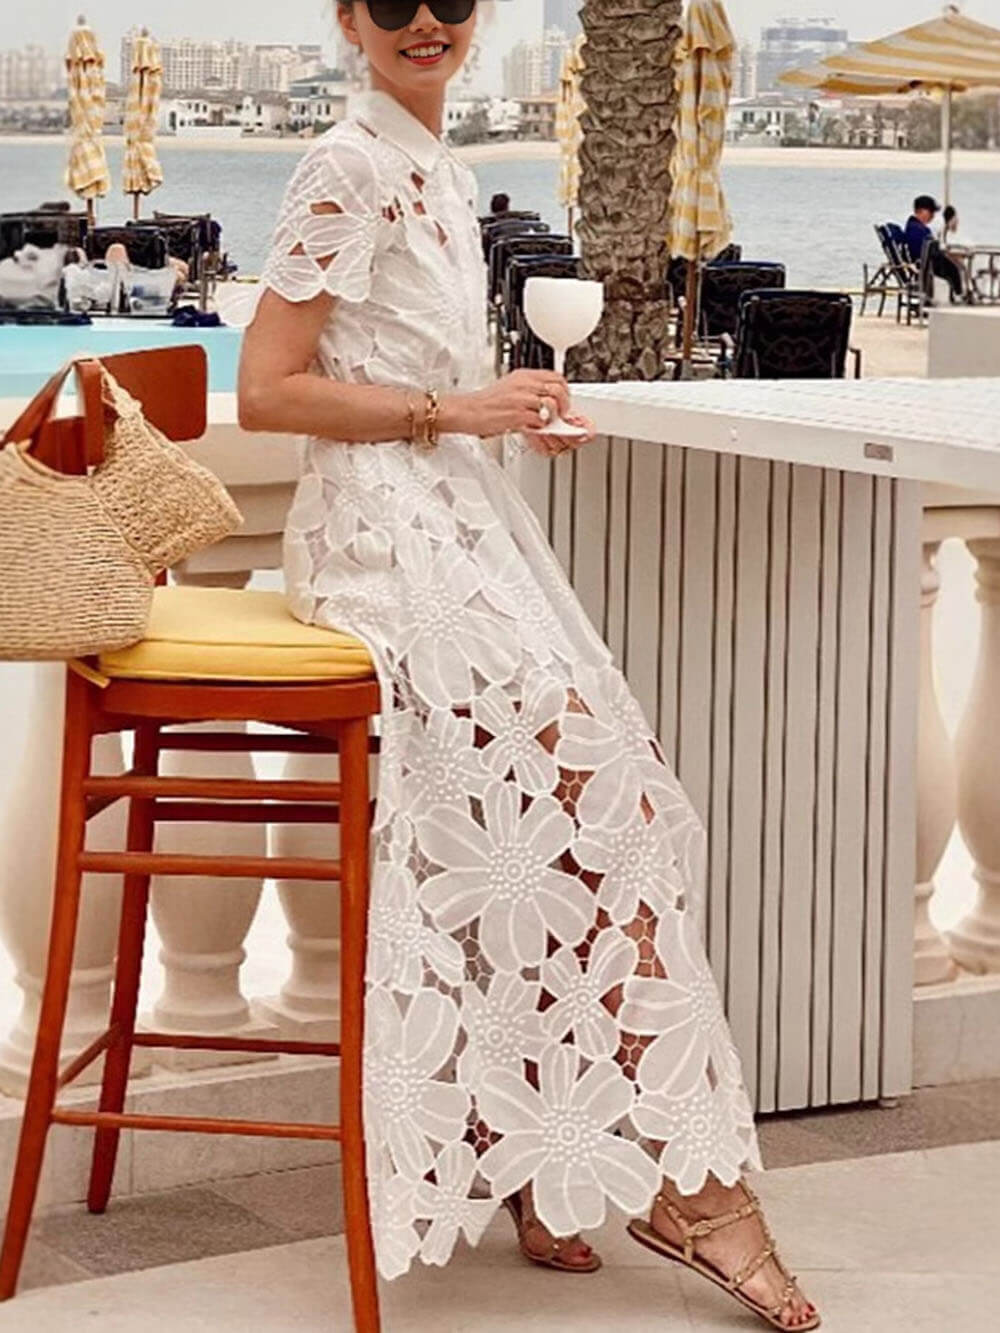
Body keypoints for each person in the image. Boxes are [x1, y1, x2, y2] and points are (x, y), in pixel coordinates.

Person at [238, 4, 819, 1329]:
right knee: (592, 810)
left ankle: (549, 1155)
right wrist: (451, 411)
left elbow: (394, 367)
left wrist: (501, 404)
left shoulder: (436, 166)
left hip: (455, 518)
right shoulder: (347, 162)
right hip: (382, 544)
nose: (424, 21)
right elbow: (266, 387)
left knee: (607, 813)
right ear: (348, 18)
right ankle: (694, 1192)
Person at [904, 194, 965, 300]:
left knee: (955, 268)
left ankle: (958, 294)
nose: (933, 215)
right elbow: (927, 250)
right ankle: (959, 295)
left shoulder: (915, 227)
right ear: (920, 211)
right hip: (927, 265)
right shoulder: (917, 230)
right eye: (931, 211)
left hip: (926, 264)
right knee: (955, 269)